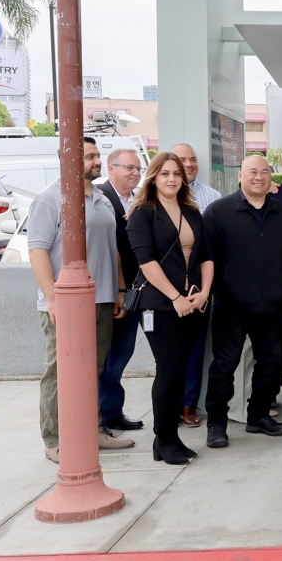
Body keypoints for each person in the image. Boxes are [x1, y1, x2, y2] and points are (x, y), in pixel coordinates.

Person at [28, 137, 134, 463]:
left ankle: (92, 431)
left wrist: (119, 289)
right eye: (88, 156)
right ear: (66, 160)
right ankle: (55, 440)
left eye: (97, 155)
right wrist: (52, 298)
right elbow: (37, 250)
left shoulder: (102, 199)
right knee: (59, 372)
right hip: (65, 303)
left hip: (102, 299)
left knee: (94, 370)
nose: (96, 161)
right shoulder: (50, 199)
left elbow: (112, 248)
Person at [202, 155, 282, 448]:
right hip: (231, 306)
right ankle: (216, 424)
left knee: (270, 363)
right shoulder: (219, 211)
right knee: (224, 366)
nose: (259, 177)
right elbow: (207, 256)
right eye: (252, 172)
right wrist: (222, 288)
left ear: (271, 177)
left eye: (264, 172)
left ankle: (258, 416)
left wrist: (280, 286)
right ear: (240, 176)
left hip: (271, 306)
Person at [126, 152, 213, 465]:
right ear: (153, 177)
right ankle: (164, 439)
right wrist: (175, 297)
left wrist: (204, 293)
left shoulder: (191, 211)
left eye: (176, 173)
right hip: (160, 305)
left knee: (180, 372)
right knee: (169, 370)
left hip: (193, 303)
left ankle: (169, 440)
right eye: (165, 173)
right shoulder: (142, 214)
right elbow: (146, 262)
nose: (172, 179)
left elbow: (206, 256)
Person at [167, 143, 221, 428]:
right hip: (163, 289)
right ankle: (168, 405)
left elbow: (211, 249)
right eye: (181, 160)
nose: (188, 164)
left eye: (193, 159)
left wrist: (205, 290)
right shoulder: (152, 202)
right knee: (167, 352)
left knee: (195, 349)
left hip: (197, 289)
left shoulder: (211, 198)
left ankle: (188, 403)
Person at [97, 147, 145, 432]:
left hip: (140, 291)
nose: (135, 173)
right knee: (107, 359)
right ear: (111, 168)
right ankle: (101, 416)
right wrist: (120, 289)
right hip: (114, 292)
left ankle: (113, 412)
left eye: (138, 169)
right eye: (129, 167)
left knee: (121, 357)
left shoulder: (139, 200)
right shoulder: (99, 198)